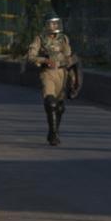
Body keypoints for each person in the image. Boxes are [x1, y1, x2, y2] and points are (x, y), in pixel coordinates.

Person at [27, 12, 80, 146]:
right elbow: (30, 56)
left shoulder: (64, 39)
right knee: (51, 103)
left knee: (60, 107)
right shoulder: (40, 38)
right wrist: (44, 60)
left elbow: (69, 58)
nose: (55, 25)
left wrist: (74, 79)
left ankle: (54, 131)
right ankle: (53, 134)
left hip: (62, 73)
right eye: (52, 23)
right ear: (47, 24)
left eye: (57, 22)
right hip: (48, 73)